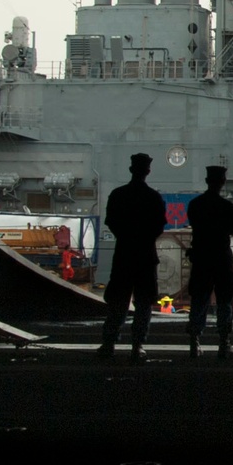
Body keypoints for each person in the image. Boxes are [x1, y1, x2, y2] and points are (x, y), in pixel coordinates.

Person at [96, 153, 167, 363]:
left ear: (131, 170)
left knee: (118, 302)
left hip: (124, 254)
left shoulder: (118, 194)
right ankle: (137, 346)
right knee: (144, 304)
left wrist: (126, 237)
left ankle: (109, 343)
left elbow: (111, 221)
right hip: (145, 255)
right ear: (148, 171)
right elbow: (158, 226)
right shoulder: (154, 197)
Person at [185, 165, 233, 359]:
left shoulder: (195, 205)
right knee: (225, 301)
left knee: (199, 300)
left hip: (201, 257)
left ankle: (194, 343)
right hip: (222, 257)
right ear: (223, 181)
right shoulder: (229, 207)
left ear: (207, 181)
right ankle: (224, 343)